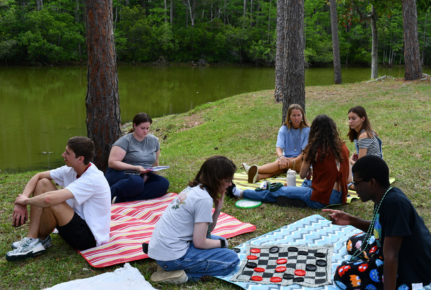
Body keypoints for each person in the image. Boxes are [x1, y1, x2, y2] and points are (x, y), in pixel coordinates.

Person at [323, 156, 431, 290]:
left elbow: (391, 255)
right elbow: (380, 229)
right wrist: (351, 220)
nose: (354, 188)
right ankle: (375, 261)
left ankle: (397, 282)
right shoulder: (383, 196)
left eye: (356, 183)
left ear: (372, 183)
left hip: (415, 270)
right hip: (398, 251)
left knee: (342, 273)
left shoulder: (395, 205)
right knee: (352, 243)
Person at [6, 136, 111, 261]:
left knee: (53, 200)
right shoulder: (72, 170)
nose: (63, 155)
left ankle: (34, 241)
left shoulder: (92, 179)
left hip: (88, 238)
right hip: (74, 223)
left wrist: (25, 201)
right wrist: (23, 198)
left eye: (67, 153)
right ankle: (35, 239)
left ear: (80, 159)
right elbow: (39, 176)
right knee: (43, 183)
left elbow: (49, 200)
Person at [147, 156, 240, 284]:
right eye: (228, 180)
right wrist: (223, 245)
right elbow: (200, 242)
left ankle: (167, 267)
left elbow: (206, 232)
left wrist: (217, 209)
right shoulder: (203, 199)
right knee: (232, 259)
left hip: (163, 251)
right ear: (217, 180)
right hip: (173, 256)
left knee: (221, 241)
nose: (229, 184)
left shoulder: (194, 190)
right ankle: (181, 276)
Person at [230, 115, 351, 209]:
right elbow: (349, 179)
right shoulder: (344, 148)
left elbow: (302, 175)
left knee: (278, 190)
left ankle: (239, 192)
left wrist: (308, 161)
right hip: (340, 198)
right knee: (306, 184)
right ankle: (296, 199)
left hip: (321, 199)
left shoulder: (314, 149)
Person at [105, 113, 169, 203]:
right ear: (134, 125)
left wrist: (151, 177)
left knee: (163, 183)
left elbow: (155, 163)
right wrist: (135, 168)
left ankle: (123, 200)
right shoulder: (125, 141)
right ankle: (109, 194)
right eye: (142, 128)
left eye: (147, 128)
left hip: (143, 174)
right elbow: (112, 162)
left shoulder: (154, 141)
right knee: (136, 182)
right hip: (122, 173)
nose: (145, 131)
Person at [243, 104, 310, 183]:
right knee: (282, 166)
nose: (296, 118)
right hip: (285, 159)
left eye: (299, 115)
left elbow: (304, 153)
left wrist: (293, 161)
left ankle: (256, 169)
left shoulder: (307, 130)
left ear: (302, 116)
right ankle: (258, 177)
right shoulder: (284, 129)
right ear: (289, 117)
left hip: (301, 161)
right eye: (294, 115)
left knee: (280, 165)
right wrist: (281, 157)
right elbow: (278, 147)